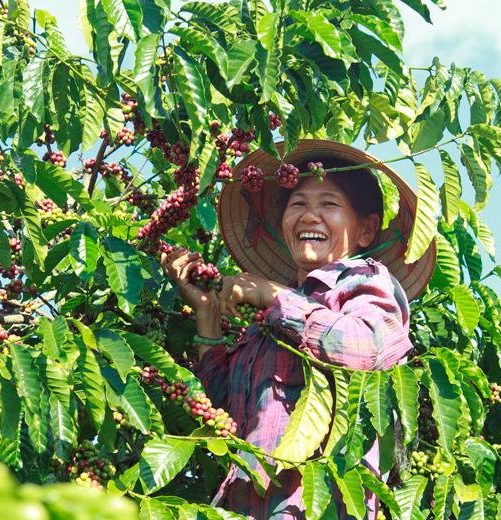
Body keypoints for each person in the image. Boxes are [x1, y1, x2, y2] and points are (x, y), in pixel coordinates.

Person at [161, 140, 436, 519]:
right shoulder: (263, 325)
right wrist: (207, 315)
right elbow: (221, 415)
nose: (310, 215)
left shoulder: (363, 281)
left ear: (366, 230)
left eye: (329, 204)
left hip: (319, 505)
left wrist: (275, 298)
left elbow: (366, 347)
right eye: (298, 204)